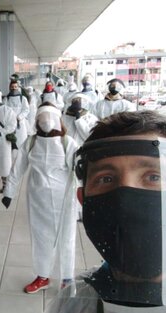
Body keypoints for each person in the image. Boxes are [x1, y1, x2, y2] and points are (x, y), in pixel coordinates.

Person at [45, 110, 166, 312]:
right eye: (106, 179)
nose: (126, 202)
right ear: (83, 200)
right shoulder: (75, 302)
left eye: (154, 177)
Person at [2, 102, 78, 294]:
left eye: (49, 119)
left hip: (64, 198)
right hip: (38, 198)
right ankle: (43, 276)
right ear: (36, 121)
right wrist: (9, 192)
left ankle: (67, 277)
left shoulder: (68, 143)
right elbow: (17, 168)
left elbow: (80, 172)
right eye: (42, 118)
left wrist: (87, 198)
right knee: (41, 237)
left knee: (66, 237)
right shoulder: (30, 142)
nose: (46, 122)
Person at [5, 80, 30, 148]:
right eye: (12, 87)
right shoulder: (6, 99)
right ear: (10, 87)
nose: (14, 88)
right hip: (10, 123)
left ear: (18, 87)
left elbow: (26, 109)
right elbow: (5, 110)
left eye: (15, 87)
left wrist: (20, 117)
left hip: (20, 123)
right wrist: (11, 117)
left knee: (21, 141)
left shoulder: (23, 98)